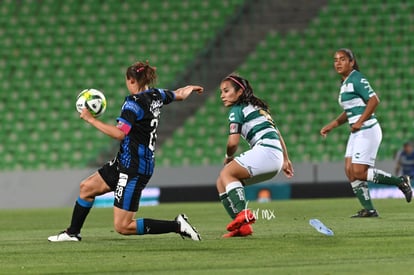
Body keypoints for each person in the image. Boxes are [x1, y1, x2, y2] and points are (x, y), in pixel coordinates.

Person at [48, 61, 203, 242]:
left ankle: (177, 225)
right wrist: (190, 88)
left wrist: (91, 119)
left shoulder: (132, 103)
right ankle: (72, 233)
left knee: (123, 226)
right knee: (87, 187)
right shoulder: (156, 94)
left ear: (130, 80)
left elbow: (120, 134)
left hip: (134, 167)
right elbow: (180, 95)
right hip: (125, 160)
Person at [320, 48, 412, 218]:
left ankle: (401, 182)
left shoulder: (356, 78)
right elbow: (349, 111)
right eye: (335, 60)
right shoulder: (345, 83)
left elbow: (374, 100)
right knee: (349, 170)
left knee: (359, 172)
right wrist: (332, 125)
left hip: (368, 129)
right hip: (357, 131)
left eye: (342, 59)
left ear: (351, 62)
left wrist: (360, 121)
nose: (338, 63)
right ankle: (369, 209)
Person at [216, 74, 294, 238]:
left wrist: (228, 156)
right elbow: (277, 133)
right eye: (221, 92)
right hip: (275, 155)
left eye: (226, 90)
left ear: (239, 92)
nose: (222, 95)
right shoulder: (257, 108)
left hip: (266, 151)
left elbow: (232, 143)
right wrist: (285, 160)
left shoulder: (237, 110)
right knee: (221, 182)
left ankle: (243, 215)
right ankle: (242, 229)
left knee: (227, 173)